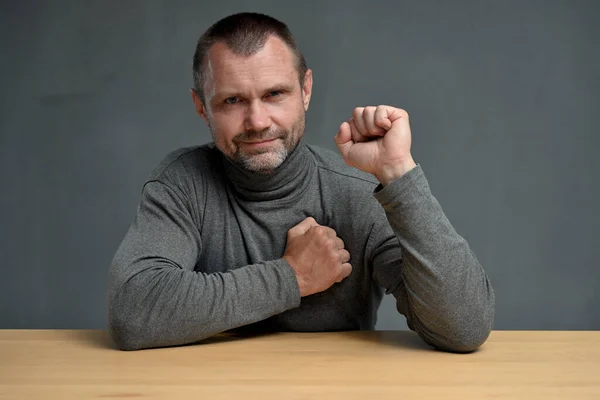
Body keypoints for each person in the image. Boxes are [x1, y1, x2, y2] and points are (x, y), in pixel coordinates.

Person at [107, 12, 495, 352]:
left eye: (274, 93)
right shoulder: (184, 183)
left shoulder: (356, 192)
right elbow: (134, 310)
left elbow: (464, 328)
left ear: (305, 90)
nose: (257, 121)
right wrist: (292, 276)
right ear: (200, 106)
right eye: (232, 101)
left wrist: (399, 175)